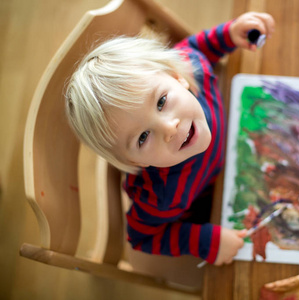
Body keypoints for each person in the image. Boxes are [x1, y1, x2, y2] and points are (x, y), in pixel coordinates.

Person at [65, 12, 275, 266]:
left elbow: (196, 47)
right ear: (133, 161)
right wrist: (205, 241)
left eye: (161, 101)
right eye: (143, 137)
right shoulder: (159, 197)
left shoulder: (193, 68)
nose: (169, 128)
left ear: (176, 76)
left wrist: (228, 35)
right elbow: (142, 238)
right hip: (210, 201)